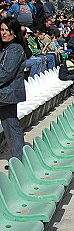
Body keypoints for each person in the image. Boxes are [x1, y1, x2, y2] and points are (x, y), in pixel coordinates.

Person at [0, 17, 27, 161]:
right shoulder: (6, 47)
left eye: (7, 30)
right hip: (6, 94)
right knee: (10, 125)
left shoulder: (15, 48)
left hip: (6, 93)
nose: (3, 33)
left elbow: (5, 73)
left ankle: (20, 159)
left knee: (12, 126)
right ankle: (19, 158)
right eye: (2, 29)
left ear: (14, 33)